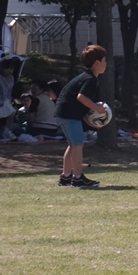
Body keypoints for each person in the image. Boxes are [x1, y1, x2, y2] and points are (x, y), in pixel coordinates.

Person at [54, 45, 110, 188]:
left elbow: (77, 99)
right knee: (78, 145)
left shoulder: (86, 77)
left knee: (73, 145)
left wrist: (86, 117)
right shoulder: (90, 79)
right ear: (97, 63)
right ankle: (78, 178)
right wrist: (97, 108)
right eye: (105, 60)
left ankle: (65, 177)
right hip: (68, 113)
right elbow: (81, 97)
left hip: (65, 112)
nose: (106, 64)